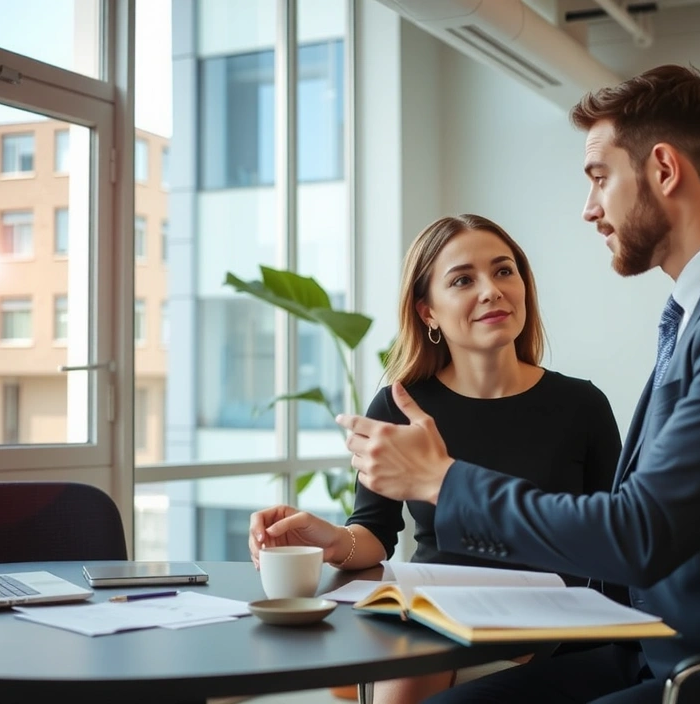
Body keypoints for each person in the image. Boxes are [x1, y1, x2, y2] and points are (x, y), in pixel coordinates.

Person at [337, 65, 700, 704]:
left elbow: (639, 532)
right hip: (669, 647)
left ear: (663, 169)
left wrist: (440, 480)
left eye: (600, 178)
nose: (590, 208)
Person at [248, 213, 623, 704]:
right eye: (463, 279)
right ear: (428, 312)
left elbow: (617, 540)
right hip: (433, 617)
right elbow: (375, 535)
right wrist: (331, 540)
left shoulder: (581, 406)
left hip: (545, 626)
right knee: (416, 654)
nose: (491, 290)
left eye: (504, 271)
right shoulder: (399, 406)